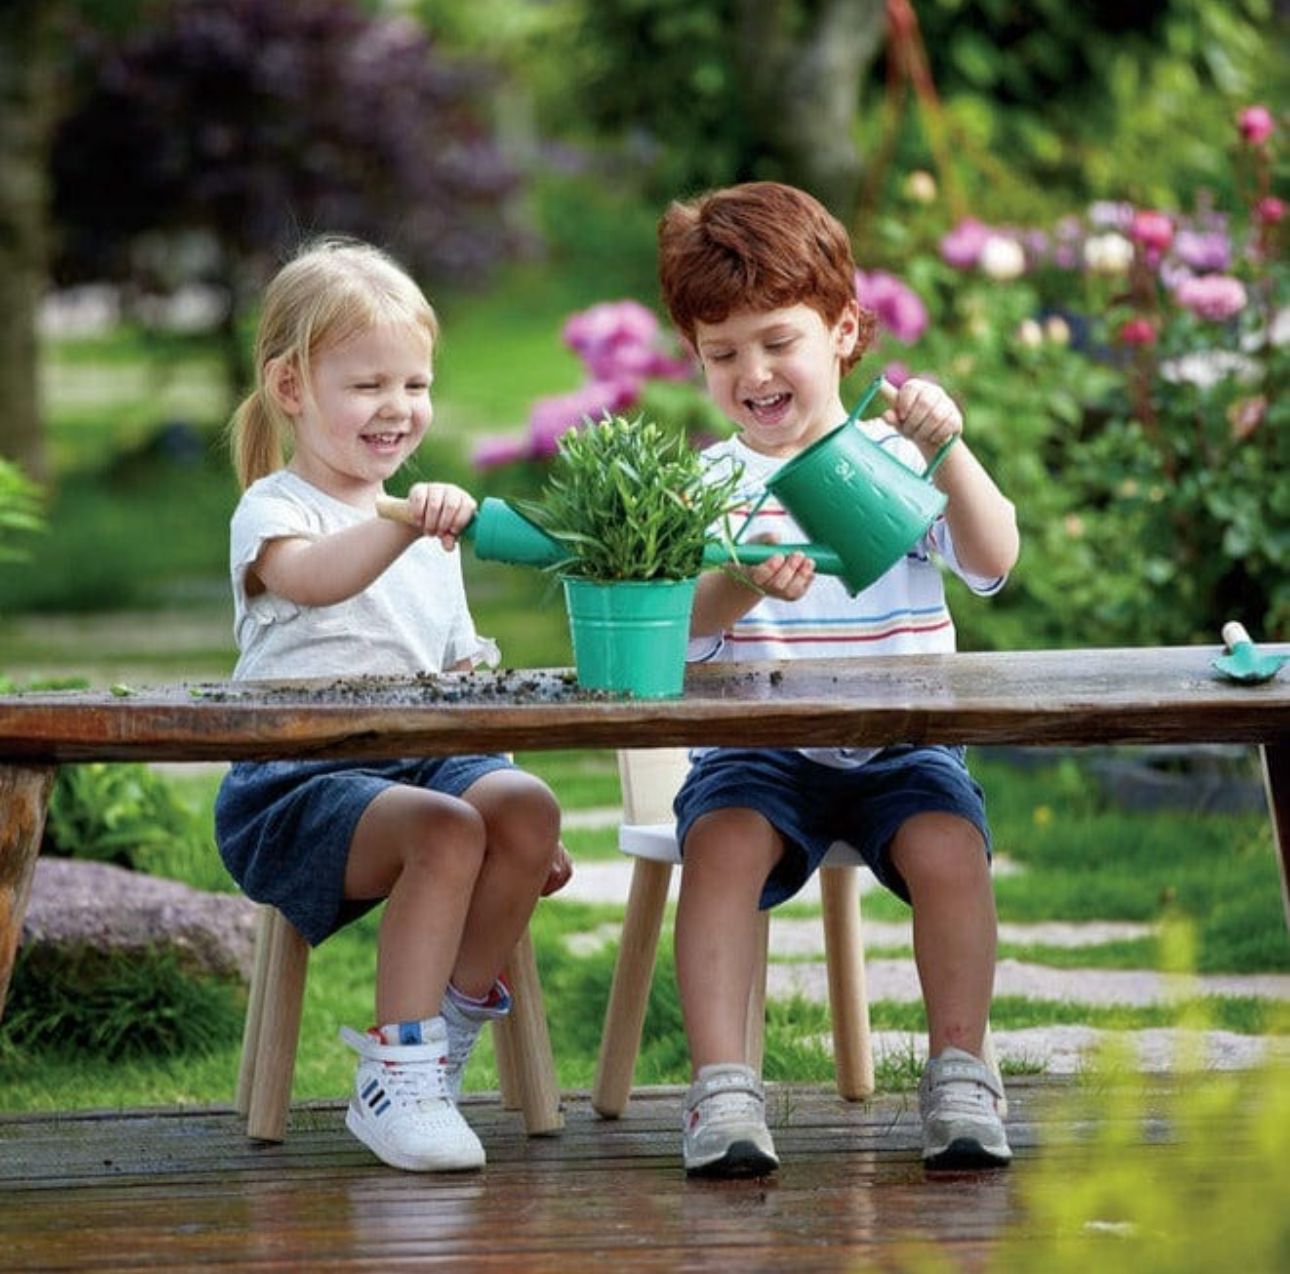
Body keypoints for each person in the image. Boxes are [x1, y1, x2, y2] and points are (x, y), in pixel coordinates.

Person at [656, 182, 1020, 1177]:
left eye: (779, 341)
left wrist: (948, 449)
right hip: (758, 752)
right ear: (696, 357)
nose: (753, 372)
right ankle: (724, 1086)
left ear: (845, 331)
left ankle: (961, 1070)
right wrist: (737, 581)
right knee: (722, 846)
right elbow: (675, 633)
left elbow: (992, 560)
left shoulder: (892, 460)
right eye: (723, 354)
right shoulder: (708, 485)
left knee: (950, 846)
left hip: (903, 743)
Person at [214, 237, 571, 1174]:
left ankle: (437, 1044)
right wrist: (402, 524)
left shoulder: (421, 533)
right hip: (295, 784)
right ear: (291, 388)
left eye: (415, 385)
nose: (398, 407)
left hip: (424, 762)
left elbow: (463, 684)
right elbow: (317, 580)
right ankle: (397, 1074)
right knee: (446, 829)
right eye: (368, 385)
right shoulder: (276, 510)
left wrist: (510, 796)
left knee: (523, 807)